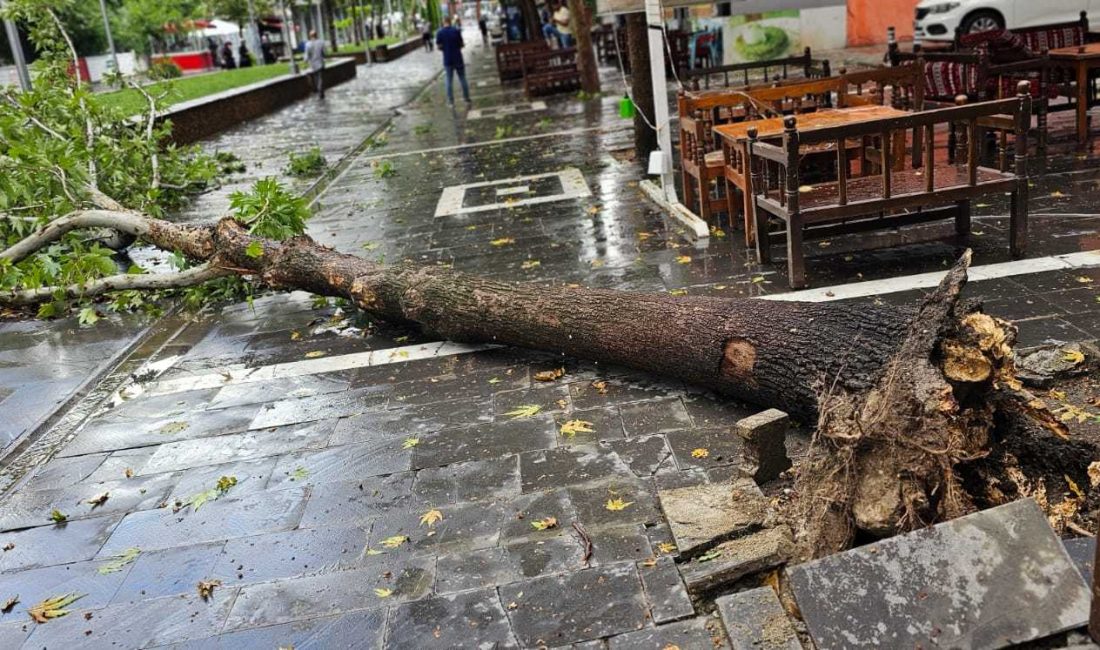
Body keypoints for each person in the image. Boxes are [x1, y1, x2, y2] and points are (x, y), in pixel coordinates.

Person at [435, 17, 470, 106]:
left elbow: (439, 46)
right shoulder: (456, 31)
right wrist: (457, 47)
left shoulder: (440, 33)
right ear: (450, 22)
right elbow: (462, 44)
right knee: (462, 78)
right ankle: (466, 99)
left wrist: (444, 49)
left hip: (447, 59)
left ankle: (451, 102)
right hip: (458, 58)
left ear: (443, 22)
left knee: (448, 81)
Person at [303, 30, 325, 99]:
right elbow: (324, 53)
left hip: (313, 64)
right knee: (320, 77)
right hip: (320, 62)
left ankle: (318, 90)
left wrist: (305, 62)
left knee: (316, 78)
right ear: (316, 35)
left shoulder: (308, 44)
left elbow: (306, 55)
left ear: (310, 36)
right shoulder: (321, 42)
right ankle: (320, 90)